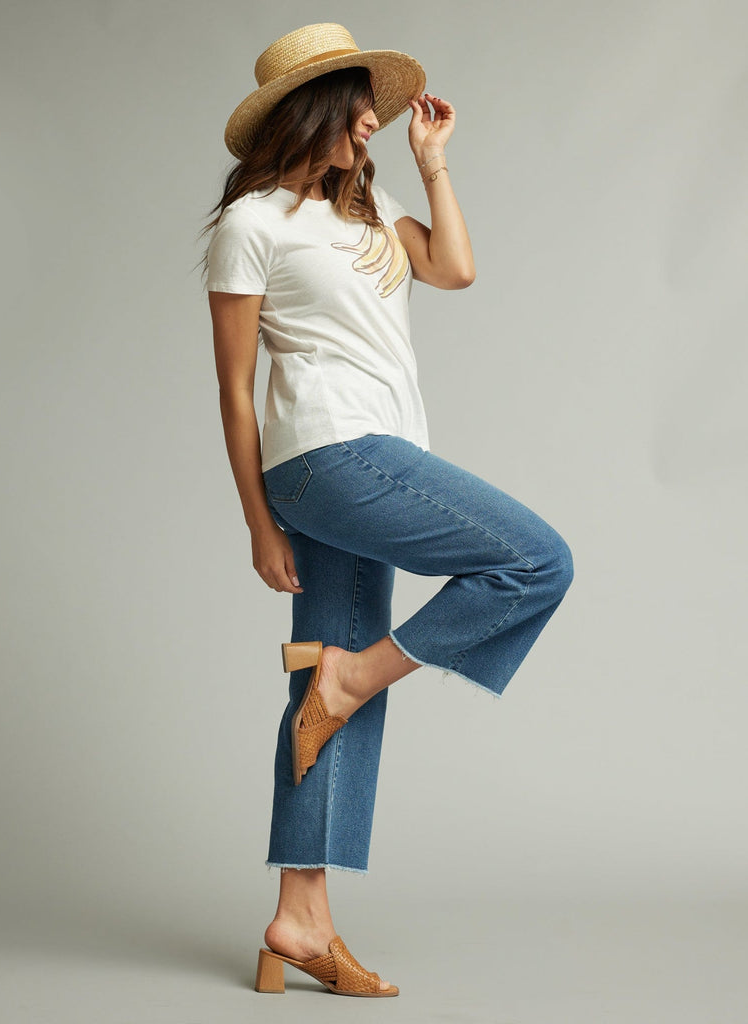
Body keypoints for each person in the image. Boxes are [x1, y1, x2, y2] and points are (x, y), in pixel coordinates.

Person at [202, 22, 573, 998]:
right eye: (358, 101)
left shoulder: (372, 210)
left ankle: (301, 919)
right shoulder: (252, 227)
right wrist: (256, 519)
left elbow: (454, 270)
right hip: (329, 457)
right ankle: (362, 673)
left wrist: (433, 165)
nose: (374, 116)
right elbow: (236, 388)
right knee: (535, 561)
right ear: (308, 112)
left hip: (377, 456)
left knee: (324, 686)